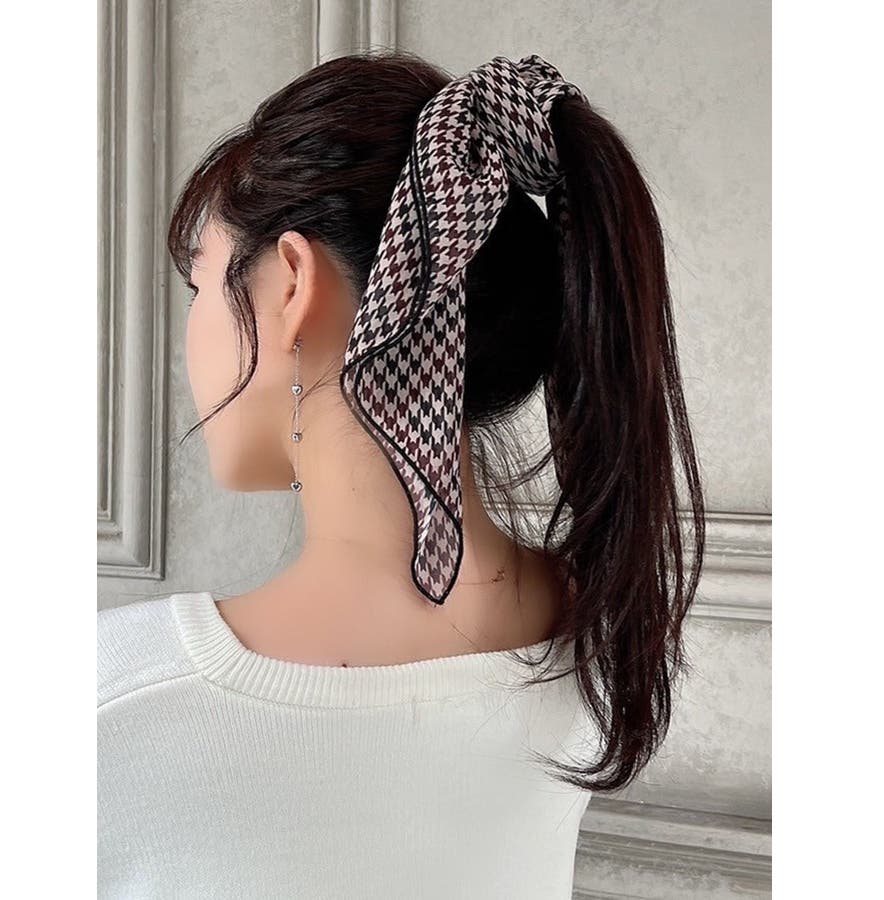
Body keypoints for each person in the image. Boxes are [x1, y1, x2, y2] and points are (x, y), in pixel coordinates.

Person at [98, 49, 705, 899]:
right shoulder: (598, 632)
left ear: (293, 285)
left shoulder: (112, 698)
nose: (193, 331)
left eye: (199, 284)